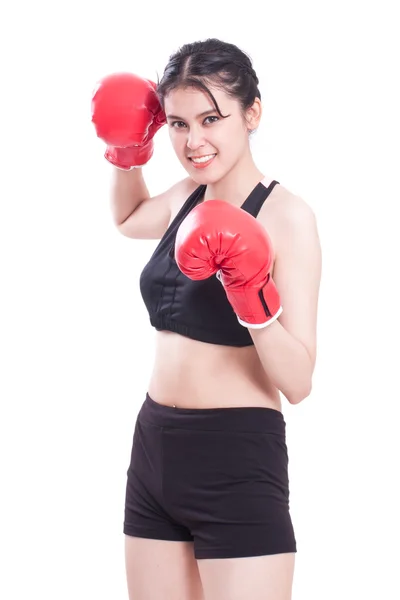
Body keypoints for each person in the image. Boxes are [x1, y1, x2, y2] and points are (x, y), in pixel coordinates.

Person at [91, 38, 322, 600]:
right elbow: (126, 218)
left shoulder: (287, 217)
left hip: (235, 456)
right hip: (153, 450)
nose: (193, 141)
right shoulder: (185, 197)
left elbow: (298, 383)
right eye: (176, 123)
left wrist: (253, 300)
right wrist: (127, 152)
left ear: (252, 113)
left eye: (211, 119)